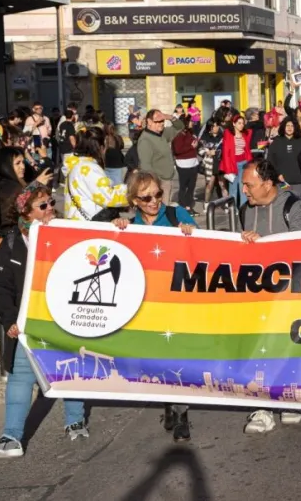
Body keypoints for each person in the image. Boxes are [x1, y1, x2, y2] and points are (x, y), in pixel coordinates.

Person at [0, 185, 88, 458]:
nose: (50, 209)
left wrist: (119, 223)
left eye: (51, 203)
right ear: (25, 212)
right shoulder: (8, 241)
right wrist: (10, 319)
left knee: (69, 369)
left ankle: (75, 421)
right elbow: (1, 287)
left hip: (64, 317)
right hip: (28, 321)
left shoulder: (65, 231)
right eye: (42, 206)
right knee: (21, 375)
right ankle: (11, 437)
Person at [112, 172, 196, 442]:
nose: (154, 201)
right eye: (146, 197)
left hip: (176, 300)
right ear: (134, 200)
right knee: (155, 358)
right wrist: (116, 228)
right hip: (145, 303)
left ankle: (182, 416)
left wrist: (191, 232)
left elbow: (205, 249)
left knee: (177, 357)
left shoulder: (175, 215)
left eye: (158, 194)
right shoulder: (130, 224)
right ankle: (167, 404)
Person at [236, 160, 301, 435]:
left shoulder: (294, 207)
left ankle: (289, 397)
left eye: (249, 185)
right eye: (243, 184)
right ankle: (261, 407)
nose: (244, 190)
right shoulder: (245, 208)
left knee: (285, 348)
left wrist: (266, 246)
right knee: (258, 349)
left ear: (268, 184)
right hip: (256, 294)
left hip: (288, 294)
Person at [62, 127, 128, 221]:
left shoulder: (77, 165)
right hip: (87, 226)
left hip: (77, 221)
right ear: (100, 147)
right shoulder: (88, 168)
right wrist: (133, 191)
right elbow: (107, 196)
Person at [0, 147, 52, 245]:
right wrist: (35, 185)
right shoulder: (9, 186)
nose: (23, 166)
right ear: (6, 166)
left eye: (23, 162)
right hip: (10, 241)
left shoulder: (0, 182)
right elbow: (15, 206)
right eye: (17, 163)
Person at [136, 109, 184, 204]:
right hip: (158, 183)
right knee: (161, 211)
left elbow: (180, 127)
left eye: (162, 121)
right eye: (157, 121)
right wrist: (155, 186)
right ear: (149, 122)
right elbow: (146, 167)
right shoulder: (145, 140)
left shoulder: (162, 134)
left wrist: (169, 117)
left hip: (166, 181)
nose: (161, 123)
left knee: (164, 210)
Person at [267, 118, 301, 196]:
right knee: (283, 203)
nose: (289, 128)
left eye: (292, 126)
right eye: (287, 125)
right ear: (283, 127)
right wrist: (277, 174)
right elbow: (270, 161)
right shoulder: (276, 142)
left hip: (299, 182)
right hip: (282, 182)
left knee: (299, 204)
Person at [220, 114, 253, 205]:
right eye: (239, 123)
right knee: (233, 188)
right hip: (232, 164)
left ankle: (243, 209)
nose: (241, 125)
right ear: (234, 124)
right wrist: (227, 169)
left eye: (242, 123)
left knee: (243, 187)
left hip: (244, 163)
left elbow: (246, 148)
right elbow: (226, 153)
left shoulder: (245, 134)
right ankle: (233, 209)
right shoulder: (228, 134)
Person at [171, 121, 200, 214]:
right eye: (190, 121)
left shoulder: (190, 132)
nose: (192, 122)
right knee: (184, 187)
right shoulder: (178, 135)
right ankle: (183, 206)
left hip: (193, 163)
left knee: (191, 187)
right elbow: (178, 150)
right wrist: (191, 147)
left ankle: (189, 206)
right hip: (183, 164)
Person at [198, 119, 226, 206]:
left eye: (217, 125)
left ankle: (226, 203)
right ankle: (206, 203)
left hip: (219, 163)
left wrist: (217, 152)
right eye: (214, 126)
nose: (216, 127)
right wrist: (207, 152)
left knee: (222, 185)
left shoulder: (222, 136)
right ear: (210, 127)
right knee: (209, 185)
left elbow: (226, 149)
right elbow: (199, 149)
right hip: (210, 164)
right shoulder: (205, 137)